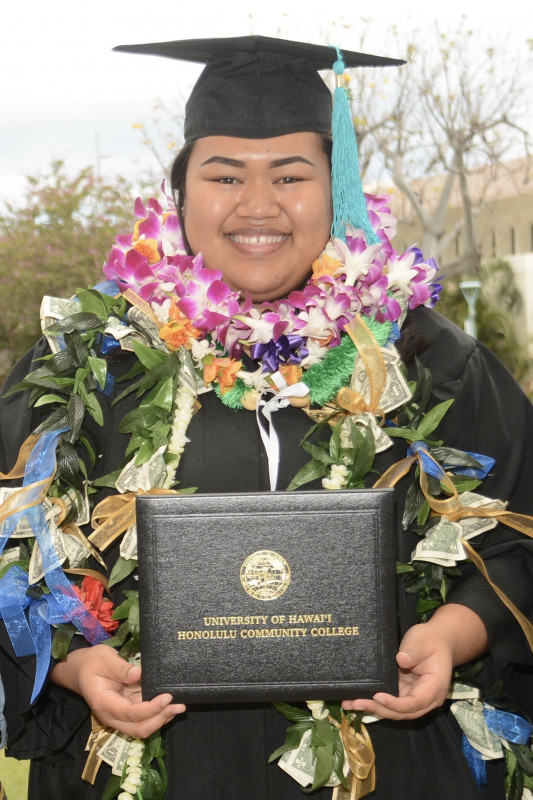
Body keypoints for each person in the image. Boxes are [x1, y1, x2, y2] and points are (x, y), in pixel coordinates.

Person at [1, 34, 533, 800]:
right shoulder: (88, 363)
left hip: (390, 764)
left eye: (291, 176)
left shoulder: (422, 357)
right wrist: (74, 664)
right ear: (179, 195)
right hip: (158, 767)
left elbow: (518, 529)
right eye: (224, 177)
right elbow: (9, 545)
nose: (258, 206)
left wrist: (451, 638)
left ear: (336, 188)